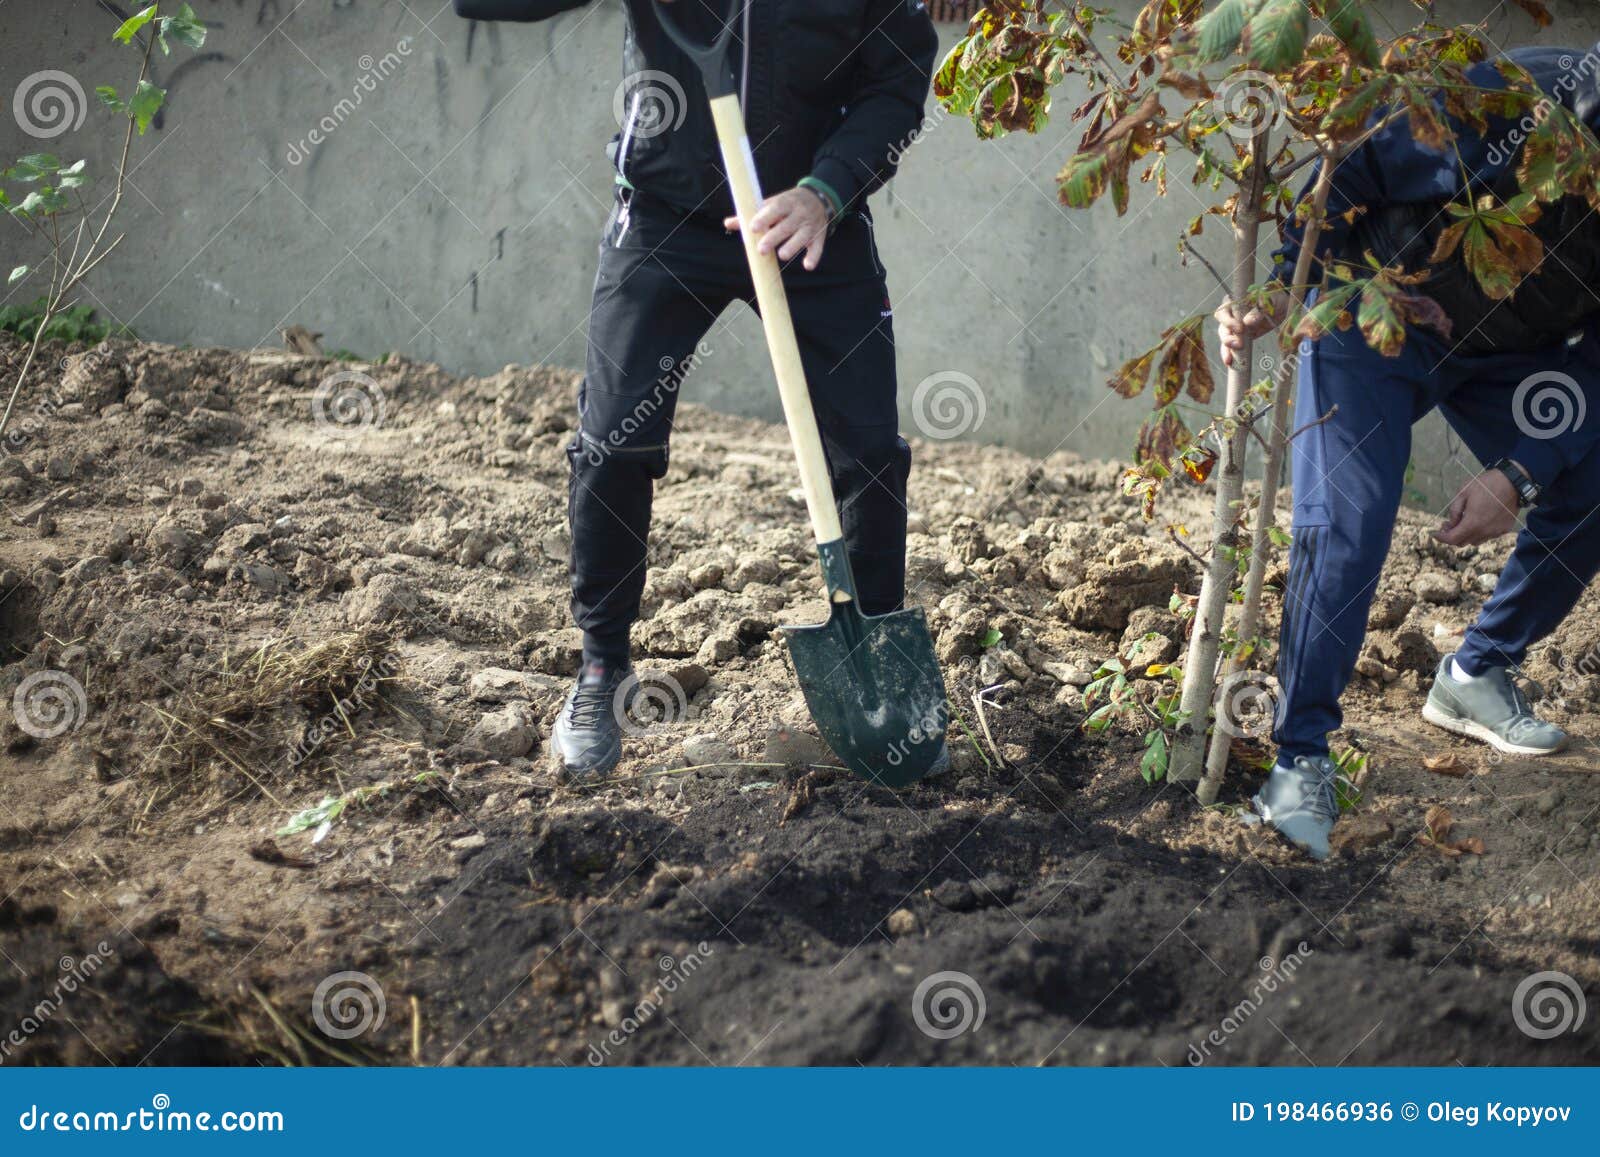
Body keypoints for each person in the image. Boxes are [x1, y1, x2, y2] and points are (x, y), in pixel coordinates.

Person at [452, 1, 938, 776]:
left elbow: (898, 79)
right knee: (614, 444)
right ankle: (603, 669)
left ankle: (876, 666)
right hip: (665, 215)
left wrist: (827, 189)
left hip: (810, 222)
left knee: (871, 451)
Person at [1216, 45, 1600, 860]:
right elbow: (1348, 169)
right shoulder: (1502, 98)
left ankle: (1475, 676)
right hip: (1378, 314)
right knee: (1352, 521)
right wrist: (1289, 285)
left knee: (1595, 475)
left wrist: (1521, 471)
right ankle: (1300, 759)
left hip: (1508, 350)